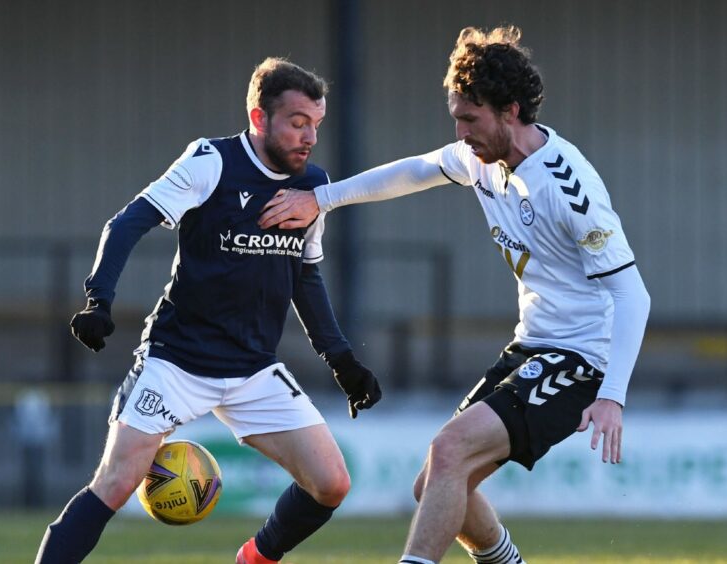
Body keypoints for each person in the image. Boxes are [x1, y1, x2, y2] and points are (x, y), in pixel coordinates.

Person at [258, 26, 651, 564]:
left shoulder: (568, 188)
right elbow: (413, 172)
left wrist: (613, 394)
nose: (461, 133)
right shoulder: (480, 160)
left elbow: (633, 294)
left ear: (510, 110)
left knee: (449, 452)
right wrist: (322, 199)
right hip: (532, 346)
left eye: (470, 119)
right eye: (456, 119)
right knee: (436, 485)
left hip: (583, 358)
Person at [34, 57, 381, 564]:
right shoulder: (211, 161)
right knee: (115, 483)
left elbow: (305, 277)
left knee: (331, 483)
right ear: (260, 119)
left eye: (316, 125)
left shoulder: (313, 186)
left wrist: (342, 360)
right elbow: (127, 223)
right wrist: (99, 300)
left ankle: (254, 559)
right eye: (297, 123)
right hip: (177, 362)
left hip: (254, 370)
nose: (309, 137)